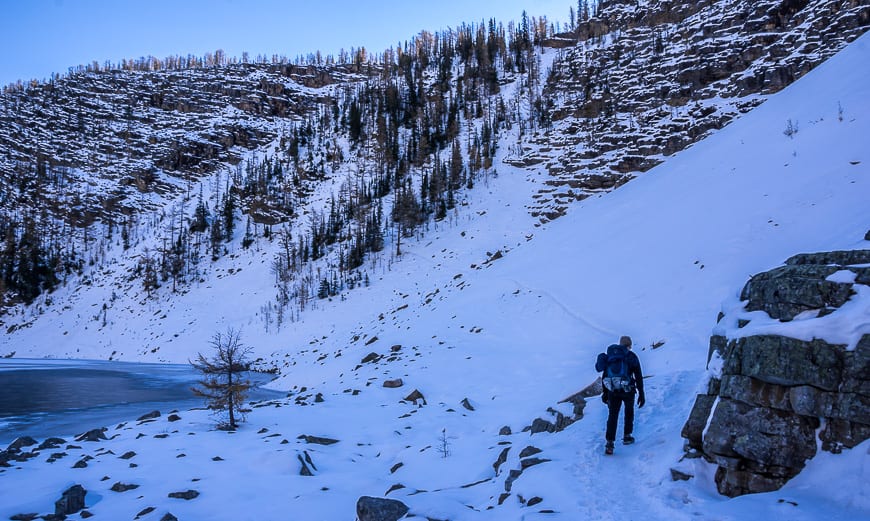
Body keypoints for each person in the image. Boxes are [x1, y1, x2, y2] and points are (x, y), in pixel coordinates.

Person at [595, 335, 644, 455]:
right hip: (628, 389)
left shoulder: (611, 355)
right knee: (629, 411)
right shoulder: (631, 356)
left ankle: (610, 443)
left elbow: (605, 375)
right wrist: (641, 393)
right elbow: (638, 376)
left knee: (613, 415)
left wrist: (605, 393)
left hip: (613, 391)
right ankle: (627, 436)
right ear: (630, 345)